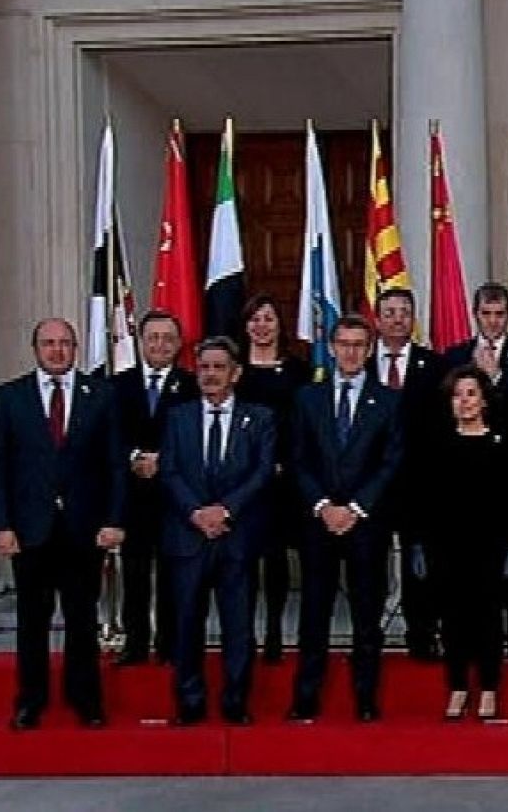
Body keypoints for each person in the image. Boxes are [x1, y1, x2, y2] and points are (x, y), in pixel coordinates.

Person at [0, 318, 126, 729]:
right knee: (32, 621)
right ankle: (31, 700)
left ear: (76, 348)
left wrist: (115, 520)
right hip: (30, 530)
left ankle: (86, 700)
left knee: (82, 619)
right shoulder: (10, 398)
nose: (57, 350)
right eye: (49, 343)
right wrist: (0, 525)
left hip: (84, 529)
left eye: (65, 343)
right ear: (36, 348)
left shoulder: (101, 396)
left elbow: (115, 465)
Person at [288, 315, 404, 723]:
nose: (351, 351)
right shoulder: (308, 399)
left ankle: (366, 698)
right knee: (314, 613)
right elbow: (298, 459)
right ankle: (306, 697)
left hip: (365, 525)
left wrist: (355, 508)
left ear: (369, 349)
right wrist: (323, 506)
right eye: (344, 343)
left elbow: (391, 462)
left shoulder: (388, 400)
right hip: (319, 523)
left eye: (359, 344)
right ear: (332, 347)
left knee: (366, 617)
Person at [157, 337, 276, 725]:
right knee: (187, 623)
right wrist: (196, 512)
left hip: (236, 538)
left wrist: (225, 510)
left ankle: (235, 701)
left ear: (236, 373)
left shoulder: (259, 418)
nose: (209, 374)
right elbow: (170, 471)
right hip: (188, 538)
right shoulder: (178, 417)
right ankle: (189, 701)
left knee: (238, 626)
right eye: (204, 367)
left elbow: (262, 472)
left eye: (218, 367)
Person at [420, 366, 508, 721]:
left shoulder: (506, 441)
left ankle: (488, 687)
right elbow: (421, 497)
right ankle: (457, 687)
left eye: (471, 394)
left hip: (492, 546)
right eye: (457, 395)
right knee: (452, 620)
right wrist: (419, 545)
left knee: (487, 619)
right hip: (446, 546)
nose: (464, 401)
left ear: (484, 399)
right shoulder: (436, 442)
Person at [443, 282, 508, 662]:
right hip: (465, 473)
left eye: (500, 314)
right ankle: (468, 645)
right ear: (475, 314)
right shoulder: (455, 355)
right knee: (467, 570)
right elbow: (446, 408)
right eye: (486, 314)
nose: (493, 322)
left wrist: (496, 379)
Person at [367, 287, 449, 662]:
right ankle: (369, 635)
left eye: (404, 312)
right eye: (389, 312)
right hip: (370, 485)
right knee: (370, 560)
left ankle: (422, 634)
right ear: (377, 319)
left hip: (422, 484)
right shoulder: (361, 366)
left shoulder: (434, 365)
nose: (397, 318)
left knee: (421, 564)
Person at [112, 310, 196, 665]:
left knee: (172, 572)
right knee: (134, 572)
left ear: (178, 344)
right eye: (153, 338)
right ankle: (134, 642)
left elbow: (195, 435)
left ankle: (169, 644)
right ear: (141, 342)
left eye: (167, 338)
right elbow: (110, 436)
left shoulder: (191, 385)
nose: (160, 345)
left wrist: (162, 460)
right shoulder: (118, 385)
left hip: (174, 496)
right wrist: (134, 456)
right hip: (131, 496)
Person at [234, 294, 310, 662]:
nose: (261, 326)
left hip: (283, 479)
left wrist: (283, 463)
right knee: (245, 556)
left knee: (276, 555)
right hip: (241, 481)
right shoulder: (234, 371)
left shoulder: (298, 371)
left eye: (268, 318)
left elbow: (303, 424)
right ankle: (244, 631)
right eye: (254, 319)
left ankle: (276, 631)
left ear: (280, 324)